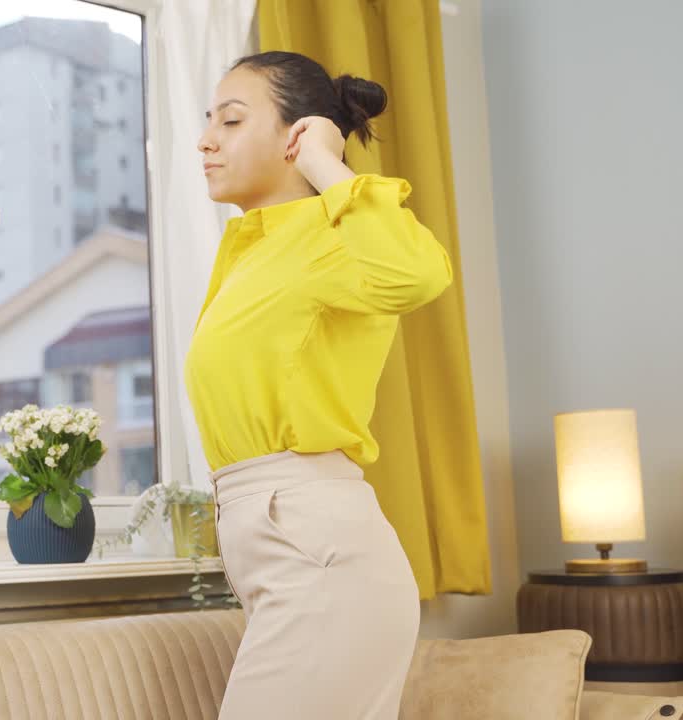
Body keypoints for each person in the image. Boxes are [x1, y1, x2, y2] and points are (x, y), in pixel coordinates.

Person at [184, 50, 454, 719]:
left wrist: (329, 165)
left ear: (294, 136)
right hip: (283, 546)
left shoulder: (332, 237)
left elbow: (419, 275)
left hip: (321, 553)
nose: (206, 139)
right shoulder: (253, 250)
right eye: (208, 120)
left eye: (232, 120)